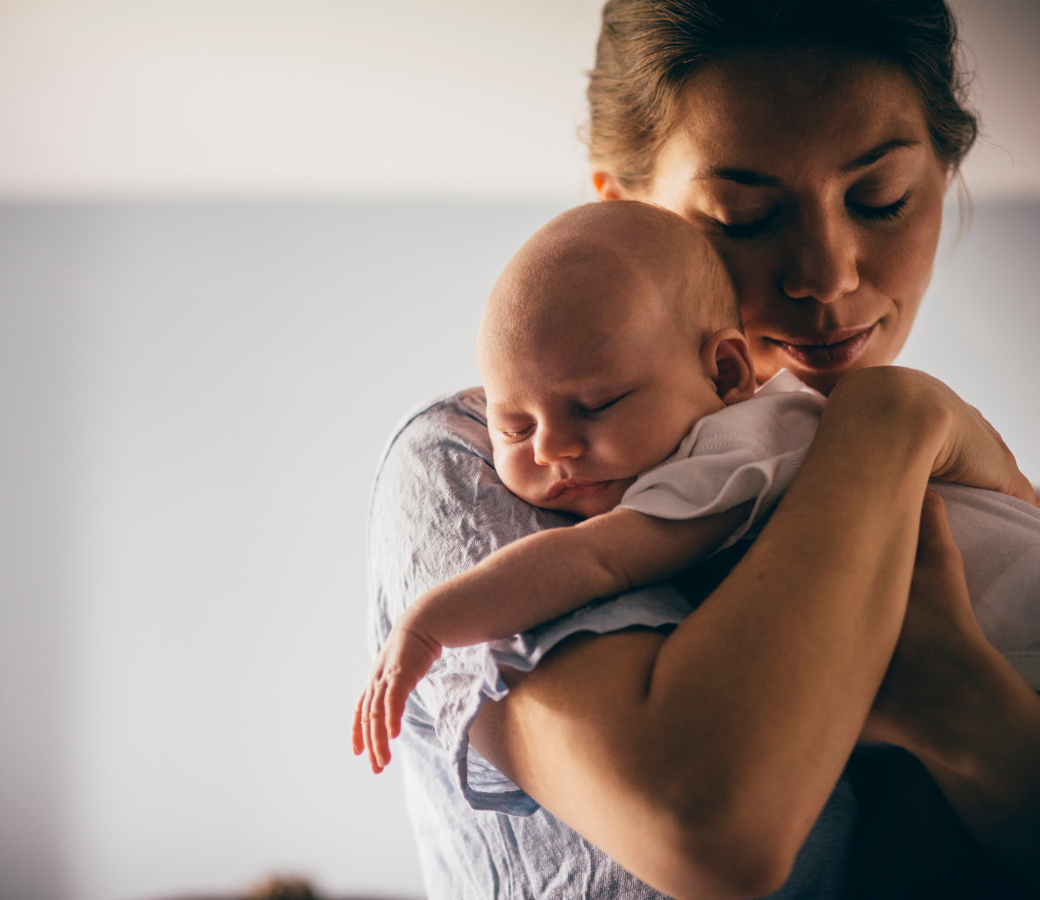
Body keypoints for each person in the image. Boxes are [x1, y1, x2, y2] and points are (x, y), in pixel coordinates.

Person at [363, 2, 1040, 897]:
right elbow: (710, 827)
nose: (829, 276)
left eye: (882, 199)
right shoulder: (484, 460)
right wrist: (892, 419)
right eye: (745, 216)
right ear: (629, 215)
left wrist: (959, 701)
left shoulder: (944, 482)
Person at [353, 201, 1040, 771]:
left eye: (597, 405)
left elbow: (594, 558)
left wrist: (429, 623)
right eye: (513, 428)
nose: (554, 447)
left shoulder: (740, 446)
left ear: (727, 375)